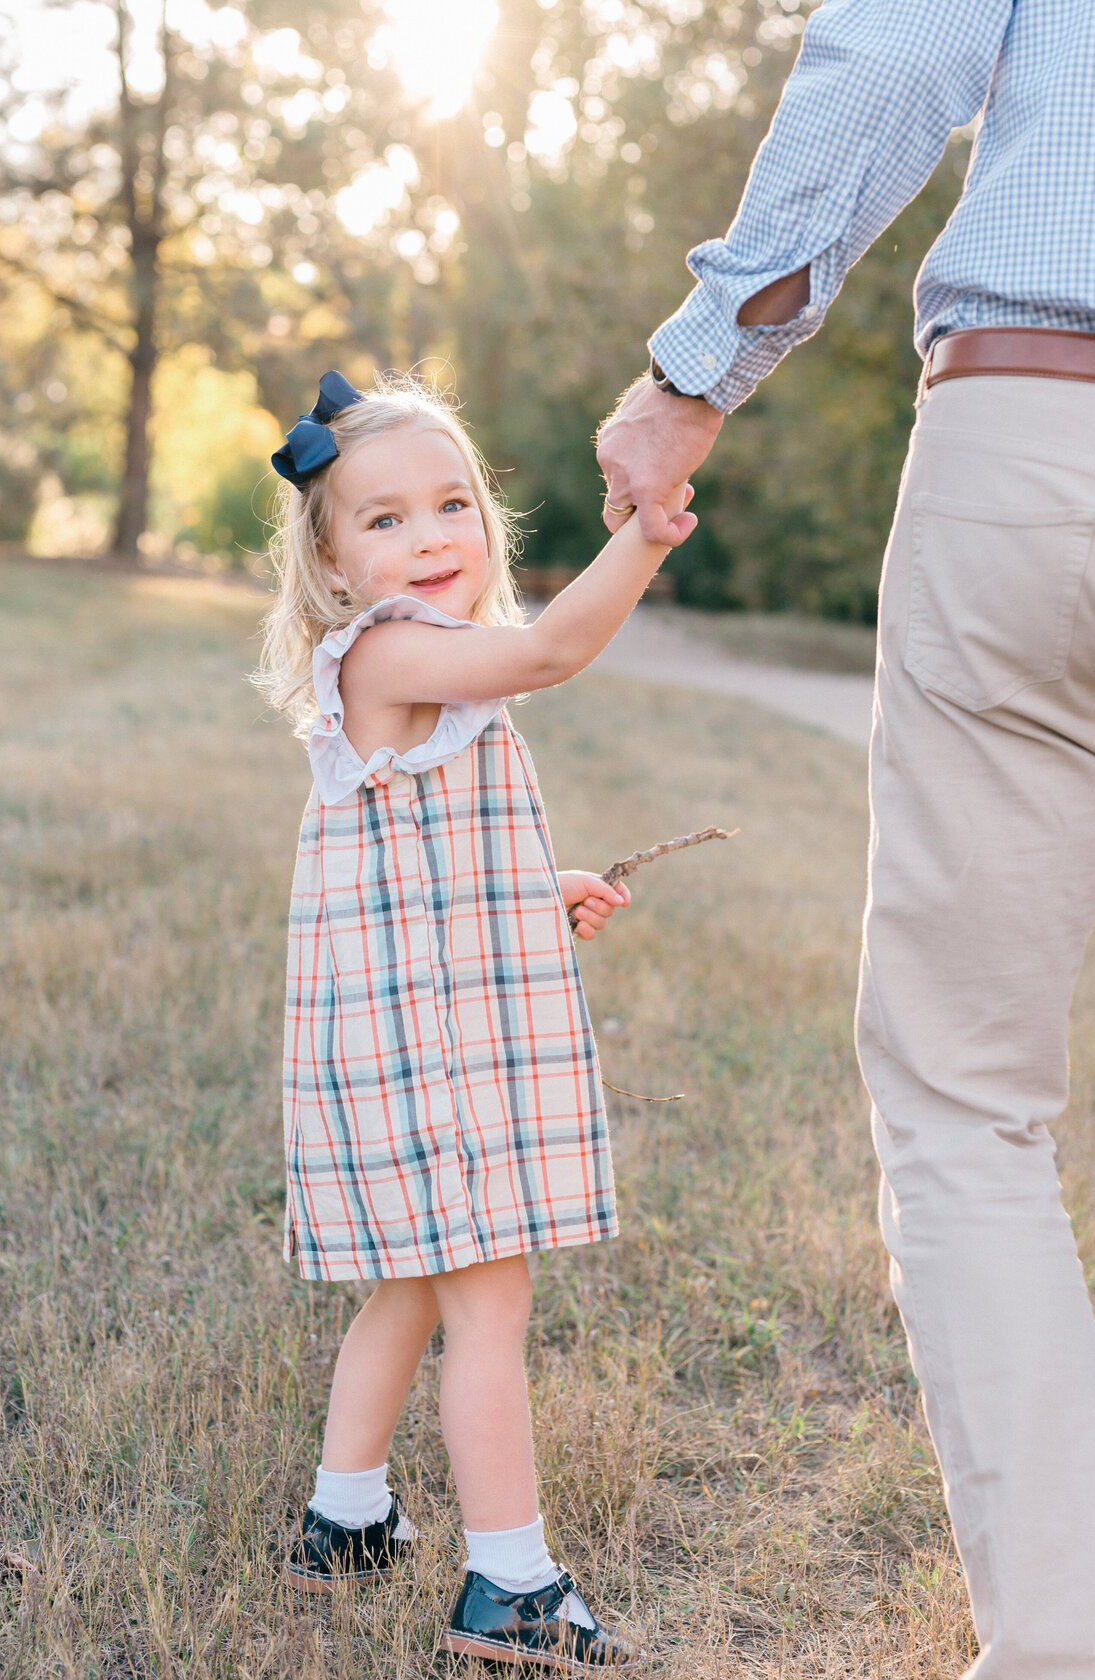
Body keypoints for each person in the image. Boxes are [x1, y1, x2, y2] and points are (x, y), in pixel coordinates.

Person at [596, 2, 1095, 1675]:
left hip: (1044, 444)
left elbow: (896, 62)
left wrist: (700, 372)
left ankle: (1068, 1647)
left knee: (969, 1097)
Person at [253, 370, 694, 1670]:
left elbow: (420, 859)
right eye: (383, 520)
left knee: (417, 1283)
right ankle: (512, 1583)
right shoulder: (388, 651)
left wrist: (534, 889)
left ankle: (347, 1521)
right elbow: (554, 651)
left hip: (404, 1031)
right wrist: (642, 534)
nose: (431, 535)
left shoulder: (413, 670)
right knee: (488, 1301)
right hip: (424, 1052)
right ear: (331, 566)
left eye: (451, 503)